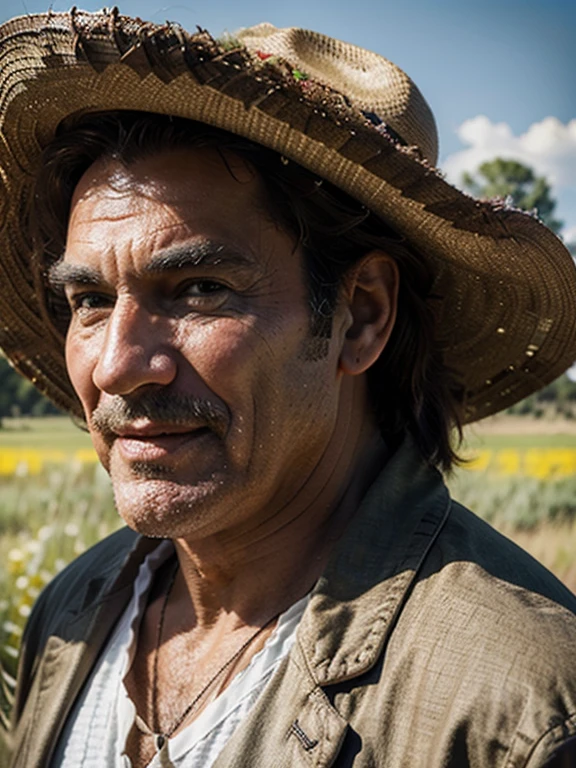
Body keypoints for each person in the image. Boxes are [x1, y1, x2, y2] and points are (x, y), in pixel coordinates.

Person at [1, 9, 576, 768]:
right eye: (90, 301)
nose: (116, 365)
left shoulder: (515, 706)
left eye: (198, 288)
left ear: (360, 316)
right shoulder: (75, 612)